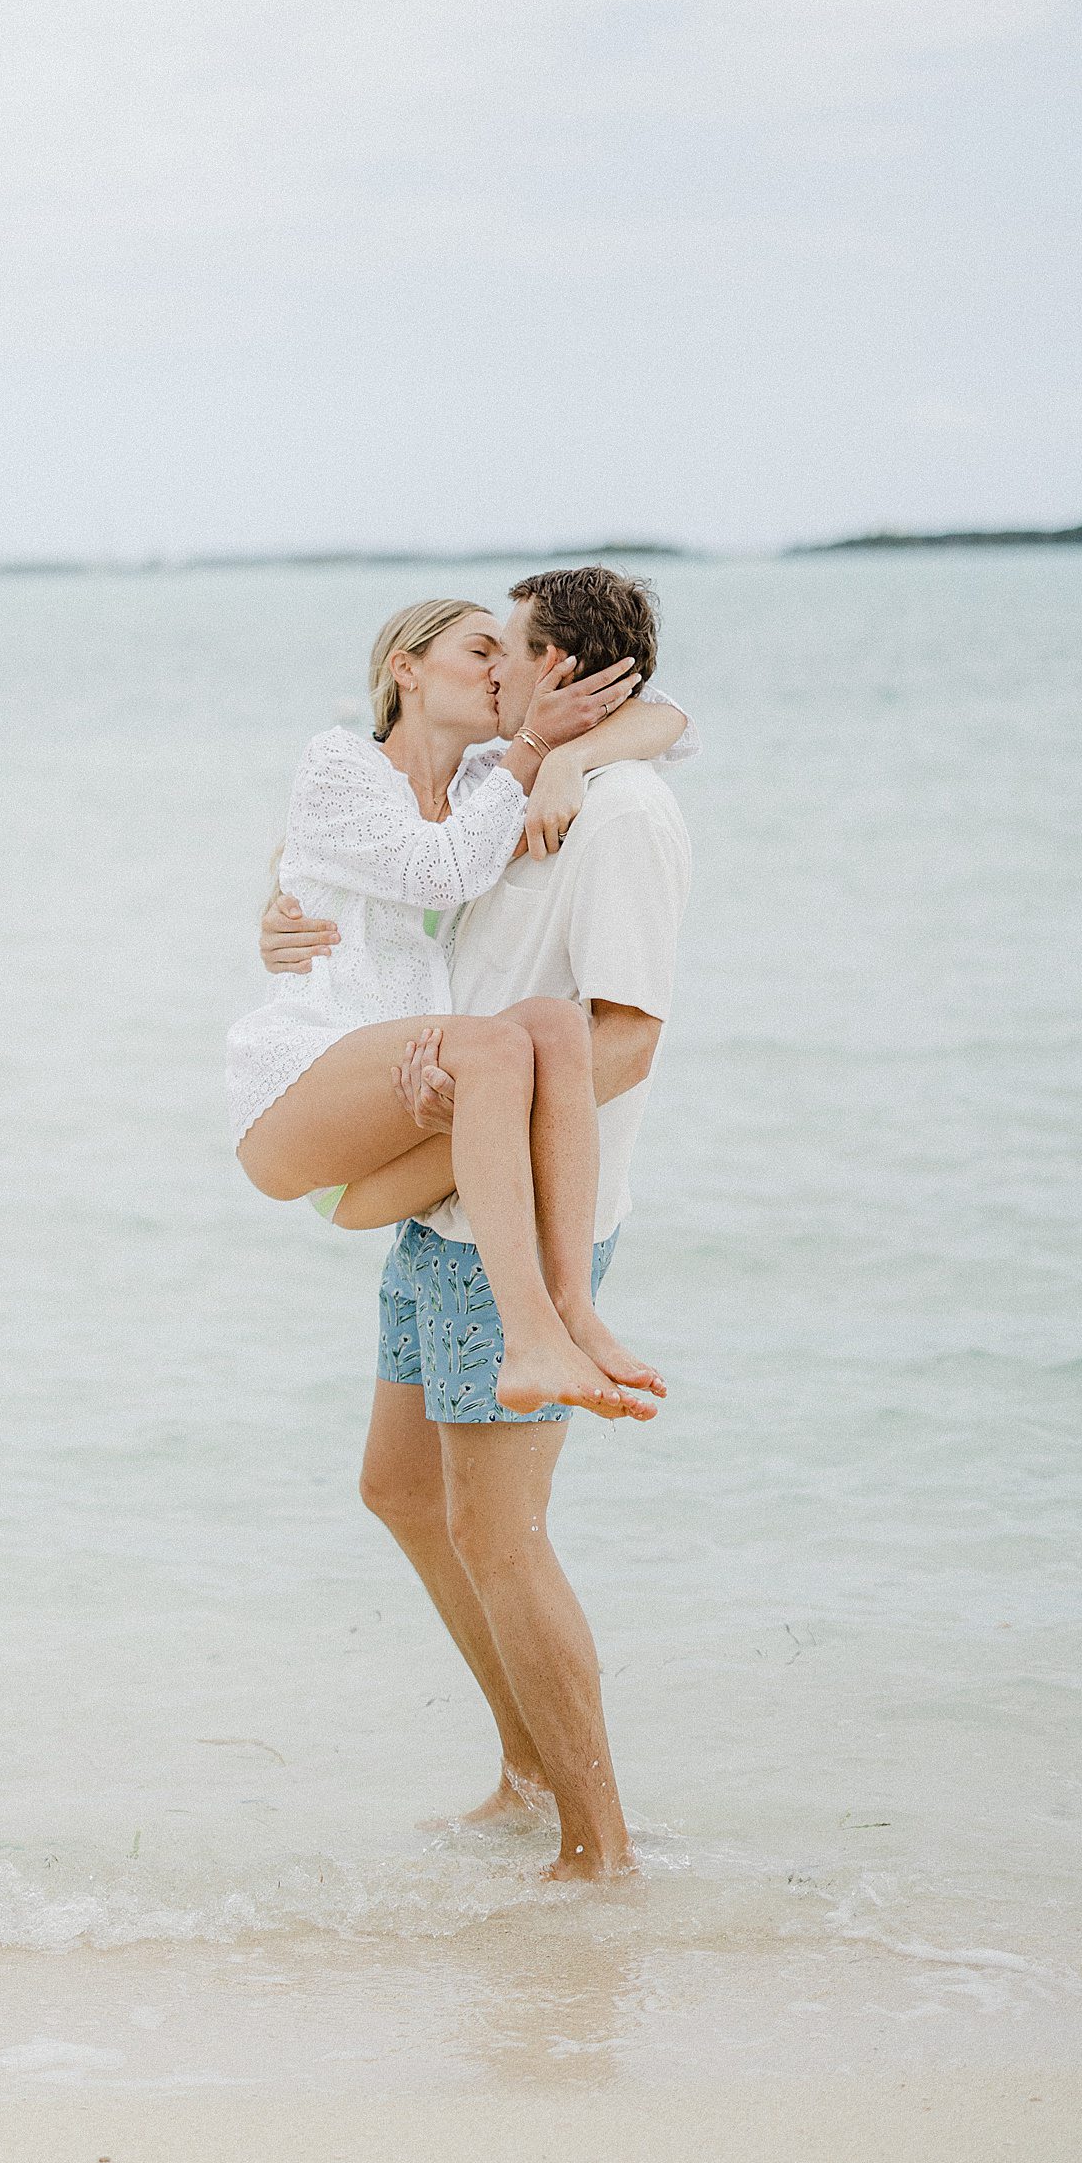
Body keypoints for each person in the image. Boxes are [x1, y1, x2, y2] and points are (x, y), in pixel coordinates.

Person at [259, 566, 696, 1880]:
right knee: (397, 1488)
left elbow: (623, 1044)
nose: (491, 662)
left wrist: (469, 1101)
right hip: (451, 1199)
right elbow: (378, 895)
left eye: (508, 646)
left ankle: (597, 1845)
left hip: (504, 1198)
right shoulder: (510, 787)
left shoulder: (618, 818)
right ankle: (523, 1770)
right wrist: (284, 922)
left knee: (502, 1536)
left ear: (556, 668)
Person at [228, 595, 691, 1418]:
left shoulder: (490, 781)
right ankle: (530, 1339)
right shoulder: (338, 765)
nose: (500, 670)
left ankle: (573, 1311)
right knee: (498, 1048)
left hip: (408, 1121)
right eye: (480, 651)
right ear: (407, 668)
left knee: (552, 1026)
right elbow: (436, 872)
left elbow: (675, 725)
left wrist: (557, 764)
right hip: (299, 1102)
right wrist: (538, 750)